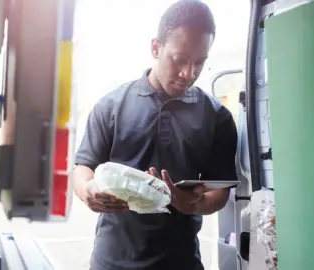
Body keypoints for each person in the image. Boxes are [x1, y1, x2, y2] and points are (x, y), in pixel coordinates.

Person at [73, 0, 238, 269]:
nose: (189, 73)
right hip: (112, 262)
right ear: (155, 48)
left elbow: (219, 195)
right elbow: (83, 169)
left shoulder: (217, 117)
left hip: (180, 262)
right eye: (180, 59)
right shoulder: (111, 106)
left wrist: (192, 205)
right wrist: (88, 190)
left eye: (199, 62)